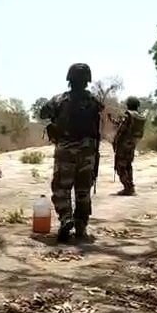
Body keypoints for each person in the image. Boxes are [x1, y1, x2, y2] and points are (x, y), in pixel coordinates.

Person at [39, 63, 104, 243]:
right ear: (87, 80)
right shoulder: (94, 101)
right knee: (83, 190)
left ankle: (66, 218)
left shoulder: (60, 100)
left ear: (69, 79)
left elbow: (43, 112)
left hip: (66, 150)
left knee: (61, 188)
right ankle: (81, 226)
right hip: (88, 152)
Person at [113, 96, 146, 195]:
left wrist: (115, 142)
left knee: (120, 166)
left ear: (128, 104)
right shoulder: (139, 116)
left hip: (124, 144)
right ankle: (130, 186)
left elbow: (121, 130)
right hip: (133, 143)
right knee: (128, 165)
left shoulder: (128, 115)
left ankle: (128, 188)